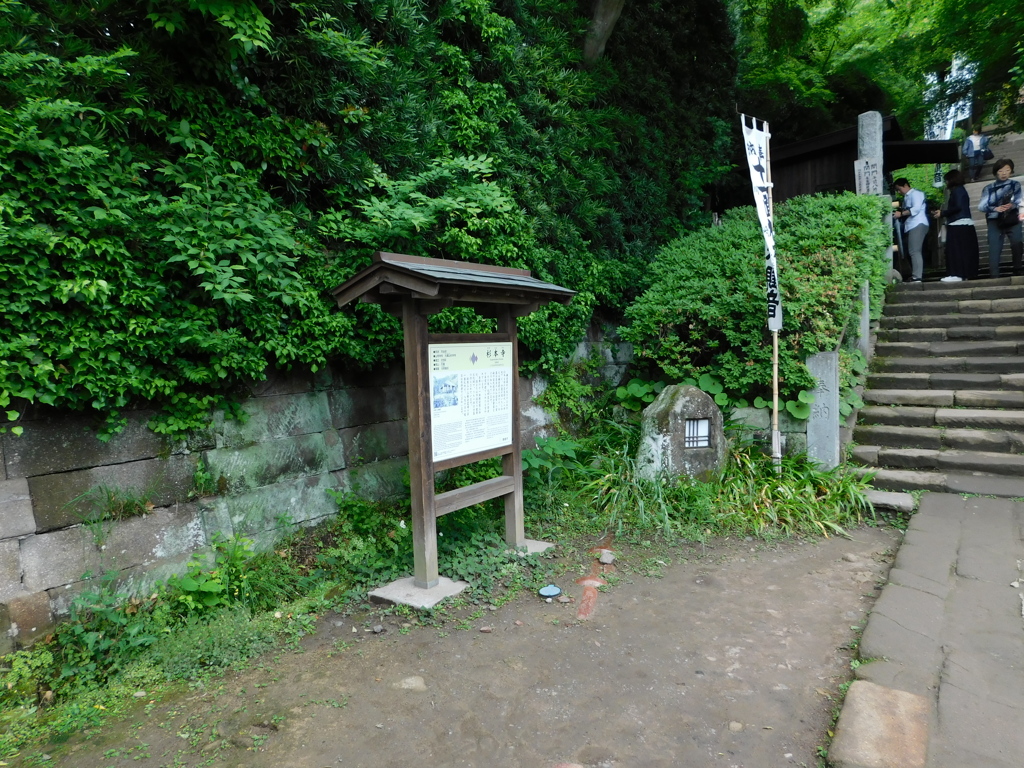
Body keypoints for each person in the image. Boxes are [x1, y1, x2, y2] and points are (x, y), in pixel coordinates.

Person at [977, 159, 1023, 277]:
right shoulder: (988, 188)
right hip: (994, 220)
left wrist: (1012, 205)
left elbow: (1019, 200)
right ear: (996, 172)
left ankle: (1018, 269)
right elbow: (981, 206)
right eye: (1001, 170)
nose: (1004, 173)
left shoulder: (1015, 184)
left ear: (1011, 172)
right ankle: (994, 274)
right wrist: (995, 209)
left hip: (1012, 218)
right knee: (994, 247)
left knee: (1017, 243)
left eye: (1007, 170)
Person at [932, 169, 979, 282]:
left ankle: (956, 273)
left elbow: (957, 207)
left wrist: (943, 213)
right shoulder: (961, 190)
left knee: (955, 250)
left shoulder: (957, 191)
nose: (946, 183)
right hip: (965, 223)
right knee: (965, 250)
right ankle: (965, 273)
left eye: (947, 180)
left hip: (958, 223)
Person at [893, 177, 929, 282]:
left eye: (899, 189)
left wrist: (901, 214)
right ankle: (915, 275)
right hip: (912, 225)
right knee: (912, 251)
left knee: (914, 251)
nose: (899, 192)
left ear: (905, 185)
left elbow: (916, 209)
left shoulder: (915, 194)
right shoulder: (907, 196)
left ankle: (917, 276)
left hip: (918, 223)